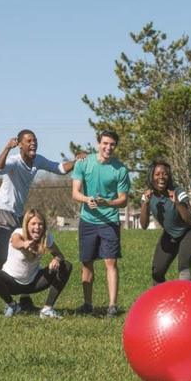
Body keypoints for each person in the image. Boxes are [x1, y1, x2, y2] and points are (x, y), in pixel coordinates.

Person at [0, 129, 85, 314]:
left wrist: (77, 160)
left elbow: (59, 168)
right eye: (29, 141)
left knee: (25, 252)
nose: (33, 143)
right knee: (2, 257)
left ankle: (24, 299)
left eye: (35, 140)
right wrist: (6, 148)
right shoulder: (15, 160)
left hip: (18, 214)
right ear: (20, 144)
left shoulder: (37, 160)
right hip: (2, 211)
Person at [70, 130, 131, 317]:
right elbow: (75, 193)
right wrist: (87, 199)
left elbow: (124, 200)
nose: (108, 147)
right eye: (105, 143)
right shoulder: (83, 163)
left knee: (110, 262)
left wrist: (108, 203)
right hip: (87, 220)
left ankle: (112, 305)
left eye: (112, 144)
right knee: (87, 263)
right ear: (98, 143)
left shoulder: (120, 169)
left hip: (109, 221)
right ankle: (87, 304)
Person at [0, 208, 72, 319]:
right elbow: (15, 242)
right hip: (11, 283)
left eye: (40, 224)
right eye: (33, 224)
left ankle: (47, 309)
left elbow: (59, 255)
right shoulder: (18, 233)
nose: (37, 227)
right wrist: (25, 243)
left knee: (66, 265)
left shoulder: (46, 237)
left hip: (33, 282)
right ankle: (12, 305)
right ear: (27, 225)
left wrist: (56, 259)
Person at [139, 160, 191, 284]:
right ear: (151, 177)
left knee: (183, 267)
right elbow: (143, 225)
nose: (161, 177)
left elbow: (190, 220)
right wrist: (146, 204)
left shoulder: (178, 192)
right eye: (157, 174)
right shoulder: (147, 196)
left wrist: (177, 204)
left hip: (190, 231)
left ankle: (185, 300)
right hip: (171, 235)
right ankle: (162, 302)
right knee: (157, 272)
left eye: (165, 174)